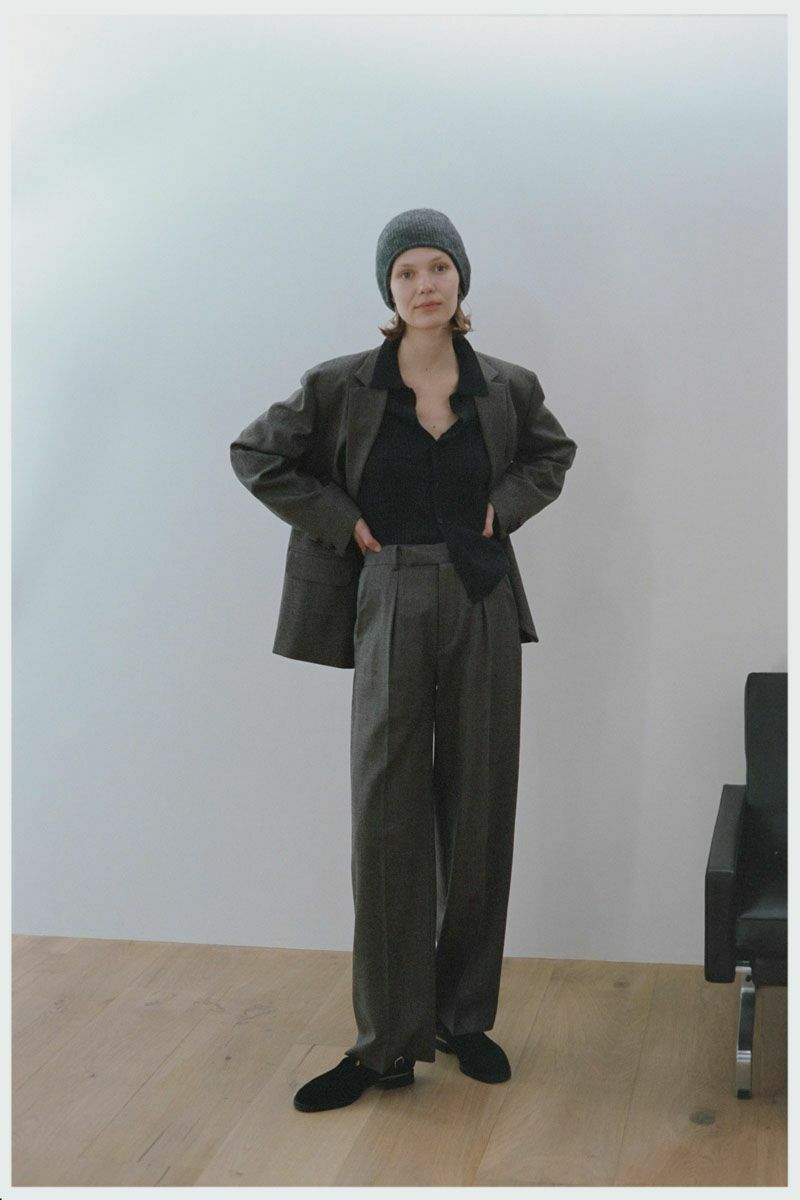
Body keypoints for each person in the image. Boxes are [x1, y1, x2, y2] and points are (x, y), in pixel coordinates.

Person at [229, 208, 578, 1113]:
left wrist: (503, 507)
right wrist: (342, 522)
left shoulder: (507, 386)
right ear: (388, 291)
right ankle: (385, 1042)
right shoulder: (340, 384)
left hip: (481, 597)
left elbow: (552, 455)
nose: (425, 286)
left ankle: (464, 1019)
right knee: (386, 813)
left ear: (461, 278)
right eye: (407, 274)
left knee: (479, 804)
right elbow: (256, 453)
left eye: (438, 268)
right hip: (386, 594)